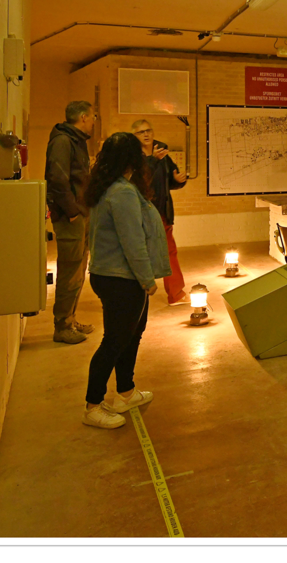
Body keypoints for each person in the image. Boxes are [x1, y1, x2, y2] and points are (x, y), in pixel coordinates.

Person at [79, 131, 172, 429]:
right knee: (115, 341)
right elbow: (133, 242)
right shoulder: (122, 193)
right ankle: (93, 406)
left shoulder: (109, 186)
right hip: (121, 278)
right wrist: (147, 279)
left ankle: (126, 393)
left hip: (112, 275)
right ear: (132, 158)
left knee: (131, 335)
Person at [45, 101, 97, 345]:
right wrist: (72, 211)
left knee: (78, 270)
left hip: (80, 212)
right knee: (69, 271)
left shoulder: (76, 140)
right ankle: (62, 326)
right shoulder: (63, 141)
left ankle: (70, 319)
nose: (94, 121)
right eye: (93, 116)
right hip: (71, 217)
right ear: (83, 117)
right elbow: (57, 179)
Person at [131, 119, 189, 305]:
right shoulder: (132, 157)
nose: (146, 134)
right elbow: (137, 181)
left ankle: (176, 293)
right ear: (134, 136)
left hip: (161, 211)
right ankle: (135, 293)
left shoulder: (162, 153)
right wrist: (152, 160)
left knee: (169, 250)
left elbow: (169, 180)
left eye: (148, 130)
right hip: (141, 212)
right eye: (141, 132)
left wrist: (178, 180)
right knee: (139, 252)